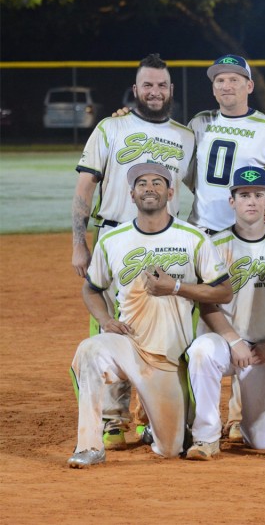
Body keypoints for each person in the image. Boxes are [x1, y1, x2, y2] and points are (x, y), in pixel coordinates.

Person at [70, 53, 195, 449]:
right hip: (114, 239)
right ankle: (111, 419)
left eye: (161, 85)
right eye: (147, 85)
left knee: (165, 334)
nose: (154, 92)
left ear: (171, 90)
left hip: (166, 244)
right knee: (110, 326)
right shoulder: (111, 127)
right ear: (136, 88)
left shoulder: (187, 136)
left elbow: (199, 187)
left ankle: (155, 416)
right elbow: (85, 187)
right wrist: (79, 242)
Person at [68, 163, 230, 468]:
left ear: (170, 192)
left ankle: (158, 429)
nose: (149, 188)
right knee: (89, 349)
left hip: (169, 358)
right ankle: (90, 445)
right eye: (142, 184)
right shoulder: (112, 240)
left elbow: (223, 291)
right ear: (132, 194)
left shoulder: (193, 238)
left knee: (171, 449)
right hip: (127, 344)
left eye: (157, 182)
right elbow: (91, 289)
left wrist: (177, 287)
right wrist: (104, 321)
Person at [184, 166, 265, 459]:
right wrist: (233, 340)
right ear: (232, 201)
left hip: (264, 349)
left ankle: (254, 427)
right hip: (224, 342)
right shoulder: (213, 244)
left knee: (259, 443)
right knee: (201, 352)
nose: (252, 201)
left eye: (259, 194)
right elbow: (206, 301)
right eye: (244, 195)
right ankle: (205, 437)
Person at [188, 54, 265, 233]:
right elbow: (187, 173)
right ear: (213, 89)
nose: (226, 86)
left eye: (234, 79)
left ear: (249, 86)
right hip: (200, 234)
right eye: (220, 80)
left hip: (246, 237)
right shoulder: (199, 122)